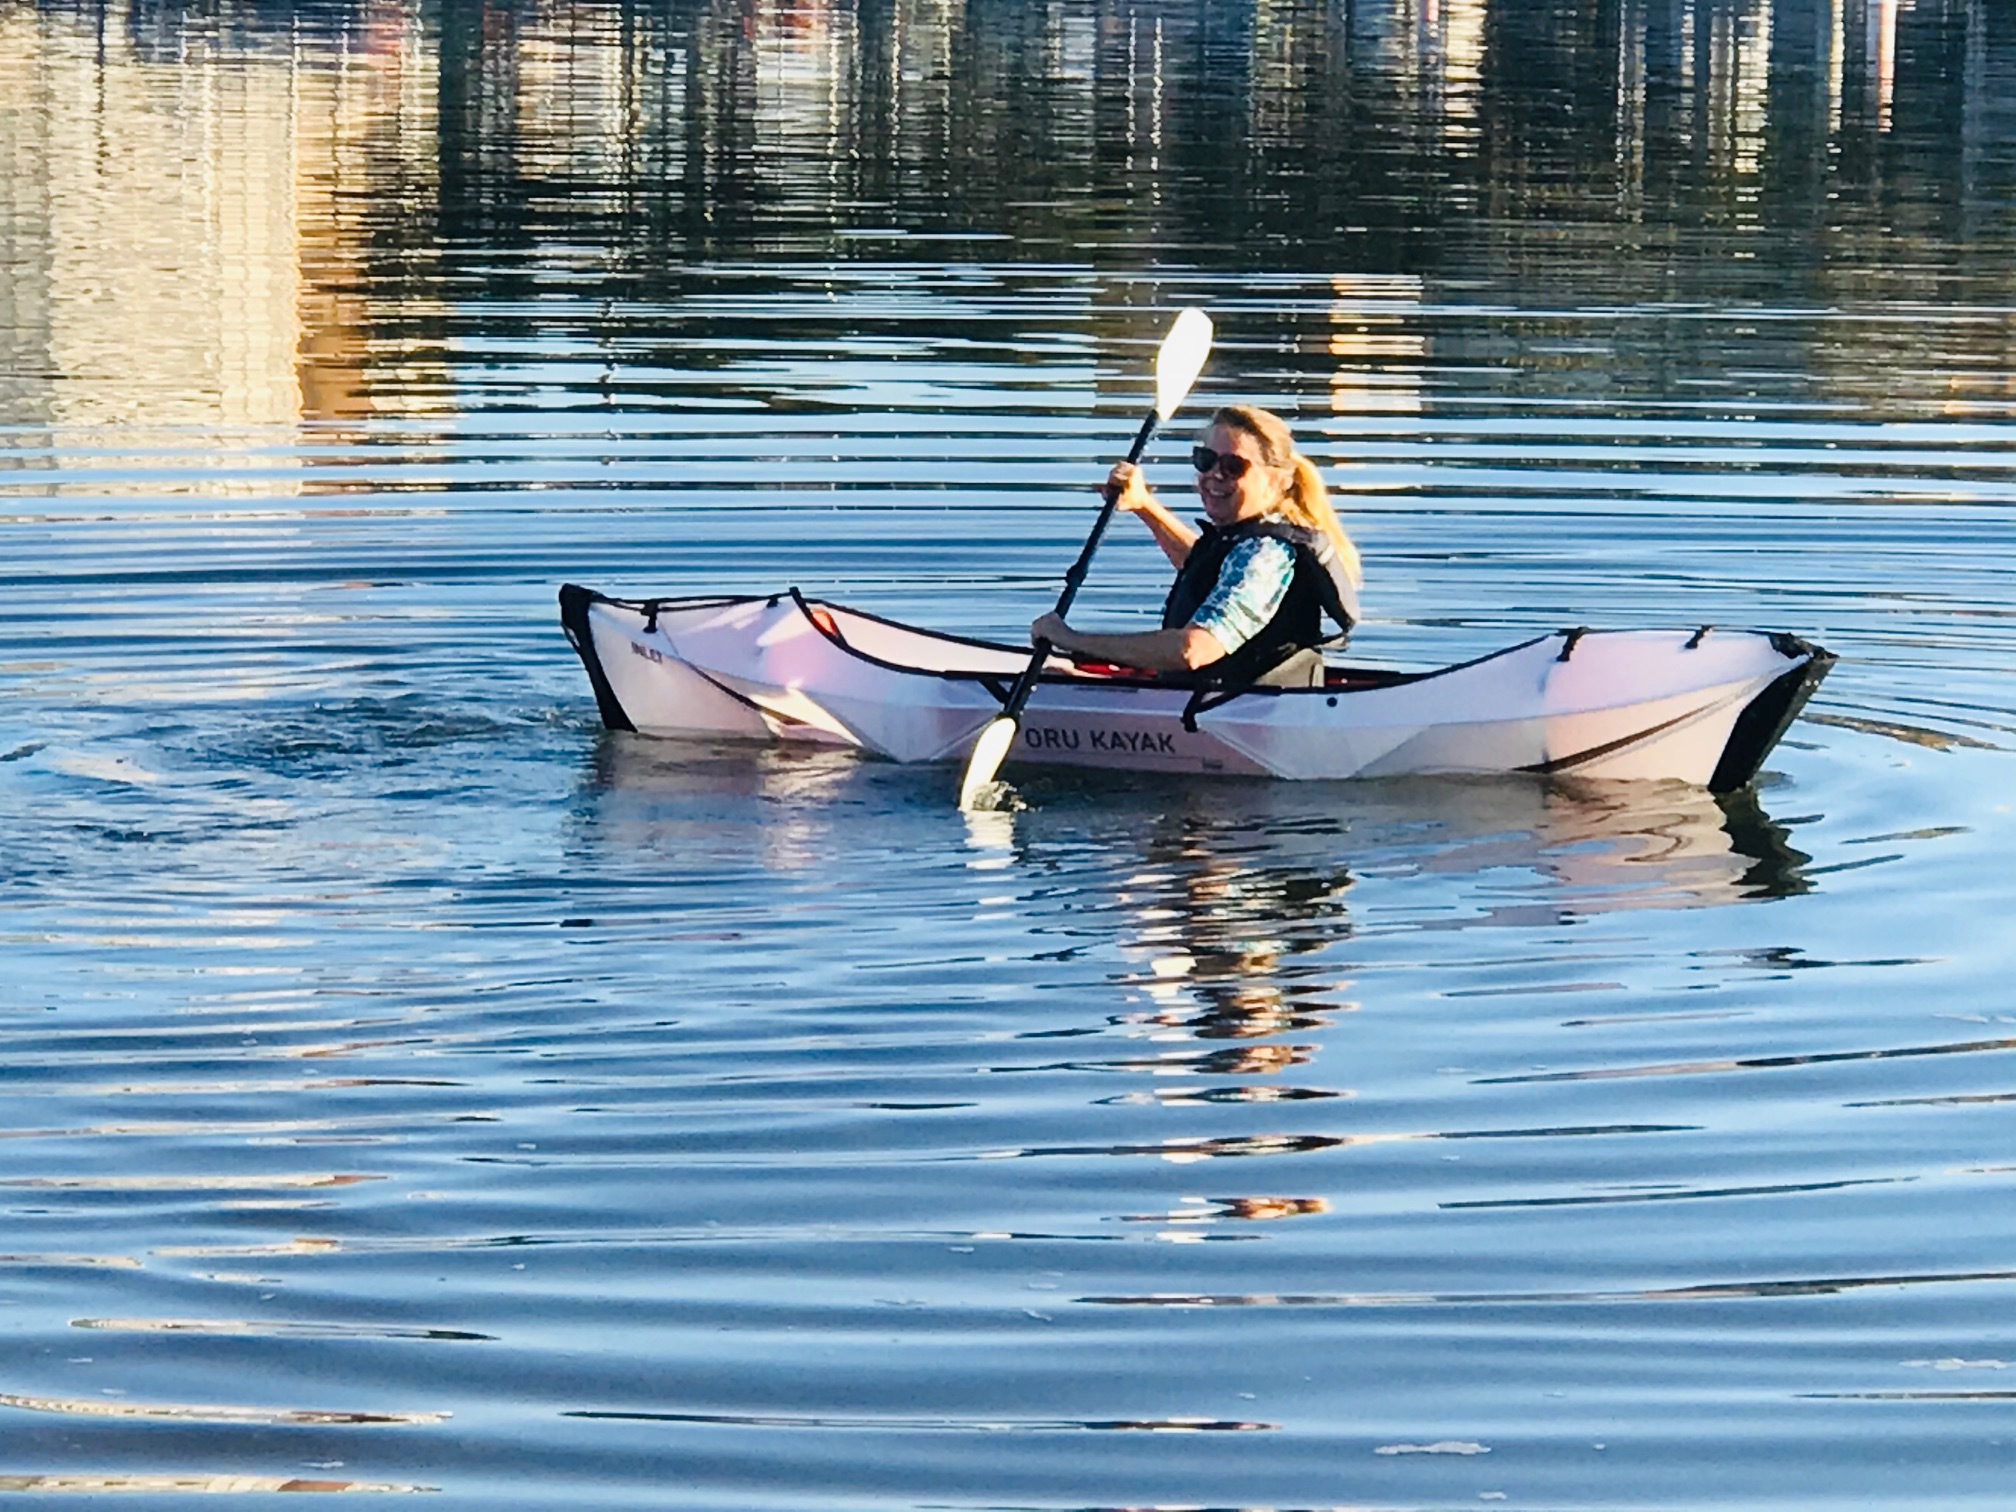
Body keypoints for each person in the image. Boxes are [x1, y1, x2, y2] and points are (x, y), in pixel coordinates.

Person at [1031, 404, 1361, 687]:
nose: (1214, 476)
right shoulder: (1248, 540)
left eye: (1233, 467)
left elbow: (1192, 650)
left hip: (1232, 714)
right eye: (1206, 460)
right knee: (1062, 674)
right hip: (1215, 700)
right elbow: (1207, 571)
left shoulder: (1266, 555)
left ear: (1277, 480)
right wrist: (1144, 505)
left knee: (1057, 676)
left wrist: (1070, 639)